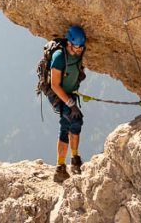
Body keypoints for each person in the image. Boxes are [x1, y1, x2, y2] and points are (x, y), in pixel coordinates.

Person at [48, 25, 86, 182]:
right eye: (77, 47)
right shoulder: (59, 57)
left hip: (70, 94)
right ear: (69, 43)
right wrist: (71, 103)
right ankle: (60, 168)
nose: (79, 50)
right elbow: (55, 85)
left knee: (77, 121)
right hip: (58, 95)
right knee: (66, 123)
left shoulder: (78, 53)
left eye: (81, 47)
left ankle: (75, 158)